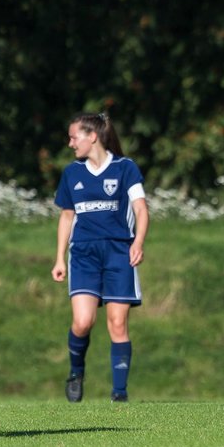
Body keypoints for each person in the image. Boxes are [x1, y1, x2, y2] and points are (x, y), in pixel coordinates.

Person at [51, 112, 149, 403]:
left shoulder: (125, 168)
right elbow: (67, 217)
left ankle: (119, 394)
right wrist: (59, 258)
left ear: (92, 136)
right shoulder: (72, 173)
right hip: (83, 254)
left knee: (117, 324)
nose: (70, 143)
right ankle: (76, 372)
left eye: (74, 137)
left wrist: (139, 242)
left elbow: (141, 209)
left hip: (119, 252)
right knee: (82, 322)